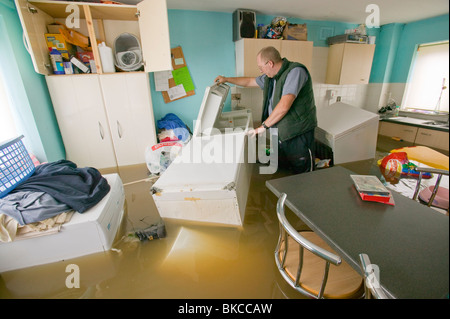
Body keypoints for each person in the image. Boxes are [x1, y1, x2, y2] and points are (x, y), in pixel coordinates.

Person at [214, 46, 317, 174]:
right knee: (285, 169)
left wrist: (263, 126)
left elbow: (284, 105)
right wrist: (227, 79)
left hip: (298, 134)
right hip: (281, 133)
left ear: (270, 63)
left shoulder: (295, 72)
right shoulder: (271, 77)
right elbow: (249, 81)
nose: (261, 71)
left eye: (261, 67)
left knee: (303, 172)